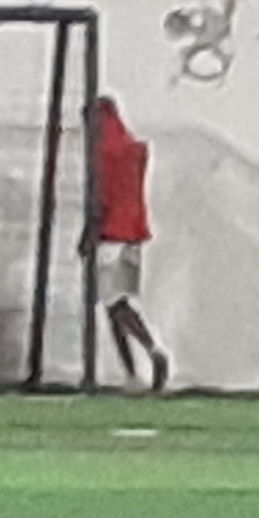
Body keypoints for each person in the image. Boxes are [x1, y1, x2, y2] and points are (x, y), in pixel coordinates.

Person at [89, 93, 165, 393]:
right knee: (117, 304)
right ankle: (131, 373)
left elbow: (100, 200)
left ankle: (151, 350)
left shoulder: (102, 154)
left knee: (114, 303)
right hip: (134, 234)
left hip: (111, 235)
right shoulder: (133, 151)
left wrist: (89, 234)